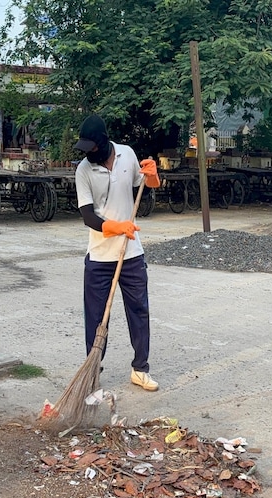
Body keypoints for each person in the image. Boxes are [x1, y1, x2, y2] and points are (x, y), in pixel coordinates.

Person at [73, 114, 161, 391]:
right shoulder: (83, 171)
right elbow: (88, 216)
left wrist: (153, 176)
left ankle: (140, 369)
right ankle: (93, 369)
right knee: (97, 318)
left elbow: (144, 187)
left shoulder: (127, 154)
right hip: (99, 256)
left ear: (103, 142)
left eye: (92, 148)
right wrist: (117, 226)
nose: (88, 154)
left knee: (139, 310)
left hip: (132, 253)